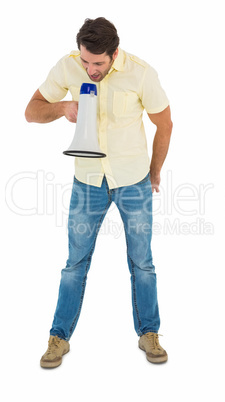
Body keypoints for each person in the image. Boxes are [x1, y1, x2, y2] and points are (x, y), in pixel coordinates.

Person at [25, 17, 173, 368]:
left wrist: (153, 173)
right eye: (85, 61)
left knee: (142, 262)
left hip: (132, 180)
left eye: (98, 63)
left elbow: (164, 123)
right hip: (87, 182)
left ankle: (149, 333)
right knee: (74, 264)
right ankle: (58, 338)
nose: (90, 69)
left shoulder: (140, 73)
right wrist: (63, 107)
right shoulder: (68, 67)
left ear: (114, 53)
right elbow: (31, 111)